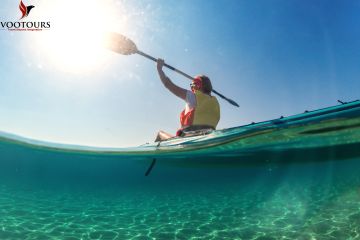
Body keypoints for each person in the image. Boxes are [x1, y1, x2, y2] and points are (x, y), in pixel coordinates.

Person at [155, 58, 220, 142]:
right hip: (208, 139)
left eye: (193, 85)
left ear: (198, 85)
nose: (192, 88)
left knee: (160, 134)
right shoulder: (215, 102)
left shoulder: (192, 96)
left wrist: (159, 69)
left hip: (189, 140)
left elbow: (168, 84)